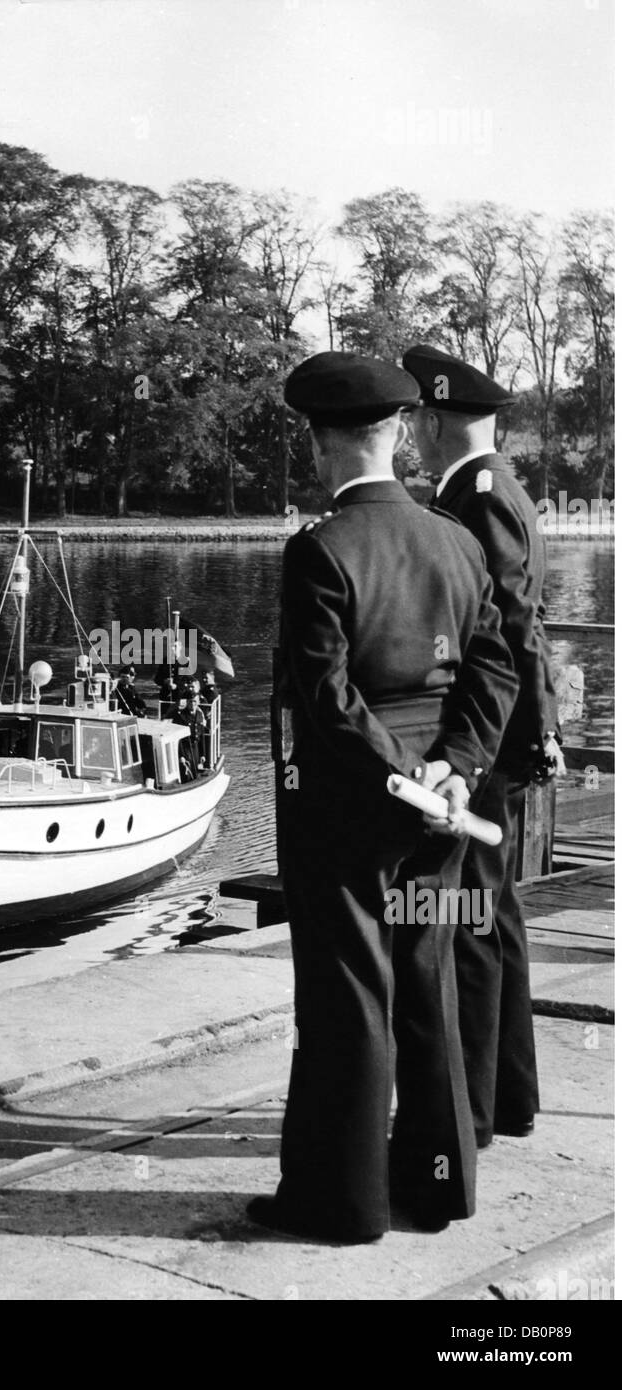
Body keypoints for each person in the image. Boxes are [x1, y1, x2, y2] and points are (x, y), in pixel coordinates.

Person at [247, 351, 519, 1244]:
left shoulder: (319, 551)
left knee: (346, 1000)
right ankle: (436, 1186)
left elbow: (325, 701)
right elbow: (494, 667)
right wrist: (454, 770)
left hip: (349, 809)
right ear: (400, 432)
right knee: (427, 988)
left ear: (321, 444)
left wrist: (398, 782)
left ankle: (344, 1202)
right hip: (442, 803)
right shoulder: (456, 538)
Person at [403, 343, 565, 1149]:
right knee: (492, 916)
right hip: (499, 733)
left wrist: (504, 740)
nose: (411, 435)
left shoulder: (476, 495)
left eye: (416, 421)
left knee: (469, 920)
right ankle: (507, 1098)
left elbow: (502, 634)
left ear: (433, 421)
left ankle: (469, 1110)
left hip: (482, 738)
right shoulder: (489, 488)